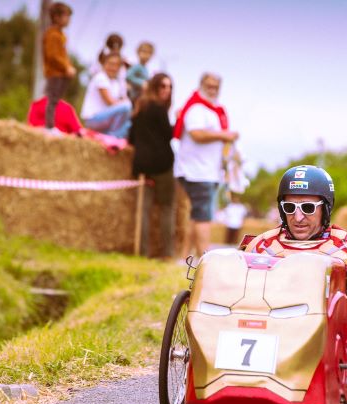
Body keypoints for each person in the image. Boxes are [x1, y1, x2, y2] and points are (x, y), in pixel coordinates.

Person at [245, 165, 347, 306]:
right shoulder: (261, 246)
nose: (298, 217)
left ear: (326, 209)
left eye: (308, 208)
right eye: (289, 207)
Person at [174, 73, 239, 259]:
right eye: (209, 86)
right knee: (204, 216)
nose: (212, 90)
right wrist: (223, 135)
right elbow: (196, 134)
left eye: (216, 87)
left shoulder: (213, 110)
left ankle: (184, 257)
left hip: (207, 171)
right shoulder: (197, 109)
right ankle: (206, 259)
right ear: (201, 85)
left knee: (196, 215)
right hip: (196, 171)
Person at [129, 73, 176, 259]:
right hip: (162, 165)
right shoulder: (159, 108)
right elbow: (168, 134)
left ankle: (142, 252)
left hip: (141, 164)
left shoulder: (140, 108)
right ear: (155, 87)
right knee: (167, 209)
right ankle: (168, 254)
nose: (167, 90)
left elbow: (131, 137)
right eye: (163, 86)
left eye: (170, 87)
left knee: (143, 209)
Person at [42, 2, 76, 132]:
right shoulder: (52, 35)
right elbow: (53, 56)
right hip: (55, 73)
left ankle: (52, 125)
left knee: (56, 100)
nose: (68, 20)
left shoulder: (61, 35)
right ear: (56, 17)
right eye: (66, 16)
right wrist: (66, 67)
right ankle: (49, 127)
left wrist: (68, 66)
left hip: (61, 73)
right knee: (52, 100)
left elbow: (63, 55)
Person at [81, 52, 131, 138]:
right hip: (93, 119)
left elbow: (121, 101)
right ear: (104, 64)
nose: (113, 67)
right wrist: (125, 102)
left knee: (129, 124)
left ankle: (109, 139)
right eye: (110, 64)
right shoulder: (100, 77)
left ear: (119, 68)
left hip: (106, 119)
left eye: (116, 65)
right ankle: (111, 138)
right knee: (127, 106)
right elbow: (110, 102)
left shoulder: (116, 83)